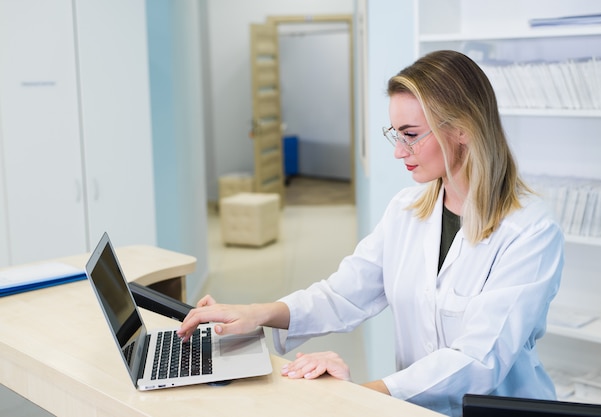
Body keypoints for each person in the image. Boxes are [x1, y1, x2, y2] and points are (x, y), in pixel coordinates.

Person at [178, 50, 564, 417]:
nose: (399, 151)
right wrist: (255, 313)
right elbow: (343, 294)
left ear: (462, 129)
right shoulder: (406, 211)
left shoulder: (530, 231)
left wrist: (354, 396)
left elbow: (479, 361)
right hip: (415, 409)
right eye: (395, 134)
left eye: (410, 134)